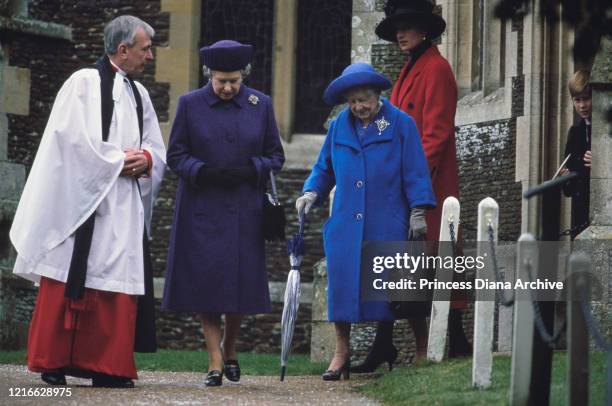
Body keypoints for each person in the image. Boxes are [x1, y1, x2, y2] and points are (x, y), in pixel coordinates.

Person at [10, 15, 166, 388]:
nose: (150, 57)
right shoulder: (82, 83)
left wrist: (146, 160)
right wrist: (116, 162)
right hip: (80, 205)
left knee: (114, 281)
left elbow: (156, 147)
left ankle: (107, 366)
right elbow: (69, 140)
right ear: (123, 49)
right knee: (69, 273)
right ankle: (53, 360)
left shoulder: (138, 94)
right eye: (145, 49)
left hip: (122, 207)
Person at [296, 62, 436, 380]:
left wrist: (418, 211)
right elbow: (324, 168)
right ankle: (341, 353)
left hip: (388, 219)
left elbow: (415, 170)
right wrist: (311, 193)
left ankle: (422, 348)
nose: (359, 107)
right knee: (342, 289)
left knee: (402, 288)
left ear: (377, 96)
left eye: (365, 100)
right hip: (346, 222)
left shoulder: (401, 124)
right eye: (353, 101)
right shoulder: (338, 128)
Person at [352, 0, 471, 373]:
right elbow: (393, 125)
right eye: (396, 27)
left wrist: (415, 184)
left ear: (424, 29)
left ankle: (458, 340)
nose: (400, 33)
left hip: (428, 186)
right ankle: (385, 343)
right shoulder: (409, 69)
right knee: (402, 264)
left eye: (407, 26)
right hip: (404, 181)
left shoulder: (436, 69)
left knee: (434, 261)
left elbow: (436, 134)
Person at [162, 40, 285, 387]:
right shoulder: (189, 104)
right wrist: (202, 171)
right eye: (222, 82)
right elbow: (176, 155)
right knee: (207, 285)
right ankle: (215, 360)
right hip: (202, 208)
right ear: (209, 76)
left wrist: (252, 169)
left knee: (239, 284)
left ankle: (230, 348)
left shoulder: (260, 104)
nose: (229, 88)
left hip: (245, 208)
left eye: (234, 81)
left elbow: (275, 155)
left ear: (243, 75)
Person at [560, 70, 592, 239]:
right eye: (577, 100)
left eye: (586, 98)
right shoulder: (574, 132)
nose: (582, 105)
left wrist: (602, 164)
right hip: (580, 215)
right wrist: (565, 178)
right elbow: (569, 191)